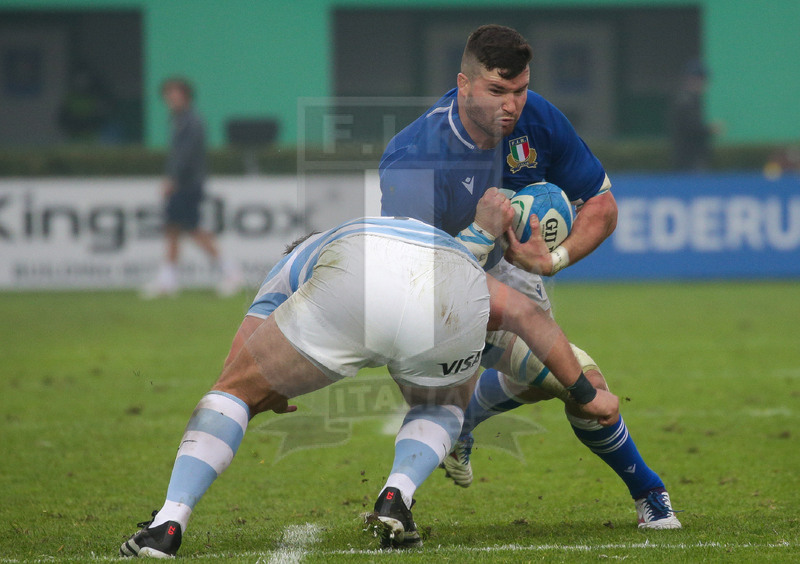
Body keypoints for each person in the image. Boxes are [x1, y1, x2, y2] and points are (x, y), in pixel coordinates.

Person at [119, 213, 620, 556]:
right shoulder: (447, 251)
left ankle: (168, 524)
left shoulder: (299, 260)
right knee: (442, 405)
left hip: (352, 280)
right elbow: (529, 315)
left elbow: (235, 370)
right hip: (448, 291)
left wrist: (262, 391)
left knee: (231, 392)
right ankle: (395, 496)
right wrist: (587, 394)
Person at [380, 24, 681, 529]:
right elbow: (413, 276)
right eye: (497, 90)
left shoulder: (538, 118)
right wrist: (480, 231)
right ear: (464, 84)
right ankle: (650, 491)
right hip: (433, 297)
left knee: (545, 383)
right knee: (582, 381)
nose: (512, 104)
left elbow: (602, 207)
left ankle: (466, 420)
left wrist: (552, 260)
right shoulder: (416, 155)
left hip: (508, 277)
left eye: (519, 90)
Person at [143, 77, 243, 298]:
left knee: (192, 229)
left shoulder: (192, 121)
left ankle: (231, 272)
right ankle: (168, 280)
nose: (171, 98)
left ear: (186, 96)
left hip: (187, 185)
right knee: (173, 229)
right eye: (169, 94)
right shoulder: (178, 120)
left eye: (175, 94)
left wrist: (173, 179)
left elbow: (186, 156)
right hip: (184, 184)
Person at [669, 59, 718, 171]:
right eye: (703, 80)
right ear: (693, 80)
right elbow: (690, 126)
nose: (705, 84)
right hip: (689, 157)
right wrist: (709, 129)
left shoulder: (691, 99)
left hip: (690, 156)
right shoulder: (685, 100)